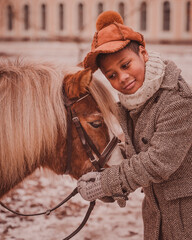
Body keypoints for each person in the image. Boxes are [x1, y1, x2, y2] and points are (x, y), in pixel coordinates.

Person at [77, 10, 192, 240]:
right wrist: (103, 168)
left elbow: (157, 162)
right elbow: (137, 153)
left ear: (144, 53)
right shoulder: (135, 103)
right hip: (156, 221)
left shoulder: (177, 100)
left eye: (126, 65)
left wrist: (105, 184)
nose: (122, 78)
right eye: (111, 75)